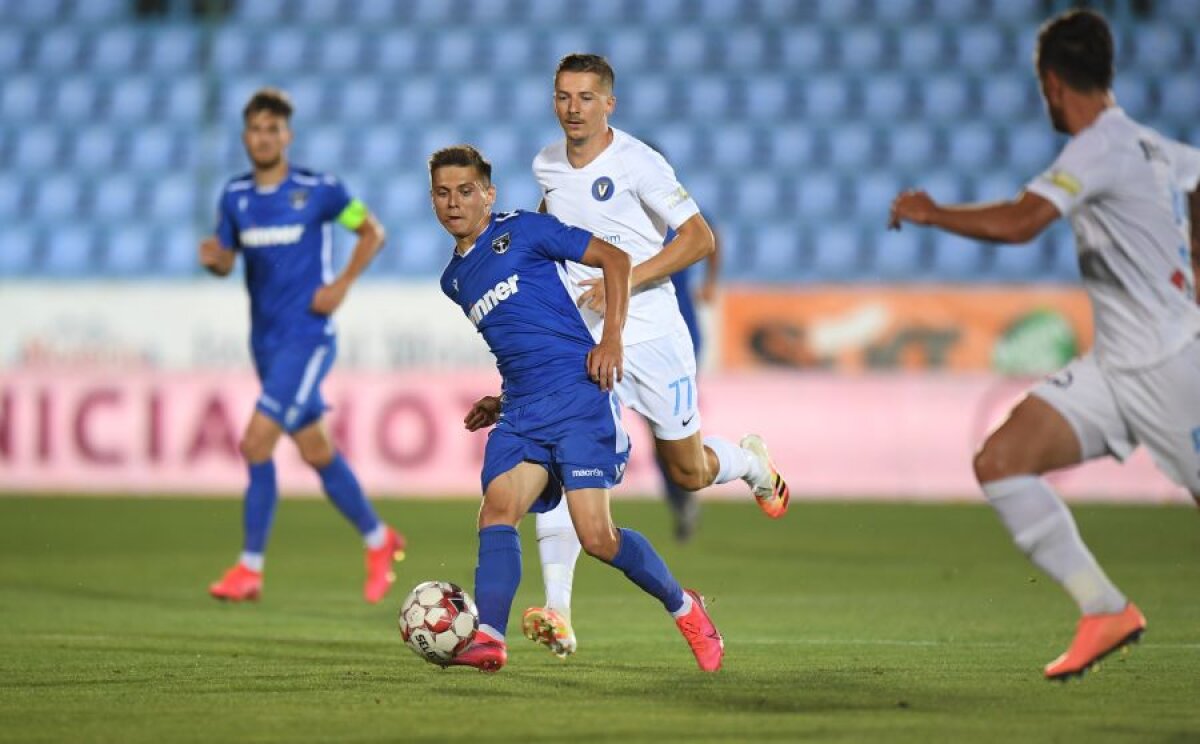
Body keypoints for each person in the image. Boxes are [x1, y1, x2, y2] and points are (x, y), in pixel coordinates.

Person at [889, 9, 1200, 680]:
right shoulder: (1152, 147)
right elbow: (1196, 177)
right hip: (1117, 369)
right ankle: (1105, 609)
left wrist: (932, 211)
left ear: (1052, 83)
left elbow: (1024, 222)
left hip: (1176, 371)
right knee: (1003, 459)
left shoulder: (1098, 148)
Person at [521, 53, 790, 659]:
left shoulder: (639, 162)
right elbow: (552, 224)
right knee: (566, 460)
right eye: (564, 96)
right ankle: (557, 609)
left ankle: (749, 464)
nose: (573, 108)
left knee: (687, 471)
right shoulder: (545, 165)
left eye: (587, 97)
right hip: (586, 335)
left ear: (609, 103)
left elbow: (699, 239)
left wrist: (627, 279)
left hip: (652, 336)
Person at [429, 144, 723, 673]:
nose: (455, 203)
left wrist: (611, 340)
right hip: (522, 410)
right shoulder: (454, 281)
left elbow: (614, 258)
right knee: (497, 510)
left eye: (466, 191)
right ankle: (490, 637)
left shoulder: (524, 230)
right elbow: (520, 336)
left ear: (488, 195)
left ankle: (685, 606)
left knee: (598, 539)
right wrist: (500, 400)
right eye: (444, 193)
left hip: (580, 399)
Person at [199, 88, 404, 604]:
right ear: (245, 136)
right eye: (255, 130)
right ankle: (380, 540)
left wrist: (341, 285)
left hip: (308, 337)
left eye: (273, 129)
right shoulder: (235, 196)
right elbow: (226, 261)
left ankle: (250, 569)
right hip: (265, 344)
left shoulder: (321, 190)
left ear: (287, 135)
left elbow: (372, 232)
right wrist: (215, 262)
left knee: (254, 443)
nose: (264, 138)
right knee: (315, 450)